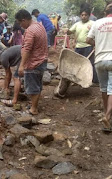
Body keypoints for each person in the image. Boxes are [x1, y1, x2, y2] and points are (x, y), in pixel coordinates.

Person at [54, 5, 97, 98]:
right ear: (80, 15)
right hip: (79, 46)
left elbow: (97, 33)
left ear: (89, 15)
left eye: (85, 15)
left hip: (88, 46)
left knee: (88, 64)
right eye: (82, 15)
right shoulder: (77, 24)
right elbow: (70, 31)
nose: (83, 16)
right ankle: (77, 79)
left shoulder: (93, 23)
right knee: (77, 64)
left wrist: (95, 44)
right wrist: (67, 31)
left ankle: (91, 81)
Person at [15, 9, 48, 115]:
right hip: (41, 60)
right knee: (37, 85)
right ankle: (34, 105)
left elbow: (27, 49)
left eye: (20, 23)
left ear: (24, 20)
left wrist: (22, 65)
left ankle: (34, 109)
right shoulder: (39, 26)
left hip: (34, 62)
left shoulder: (30, 30)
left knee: (33, 86)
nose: (20, 25)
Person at [86, 4, 112, 132]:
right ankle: (107, 116)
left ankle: (105, 111)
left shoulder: (97, 23)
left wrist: (98, 44)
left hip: (100, 60)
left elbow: (88, 39)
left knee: (103, 88)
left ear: (104, 12)